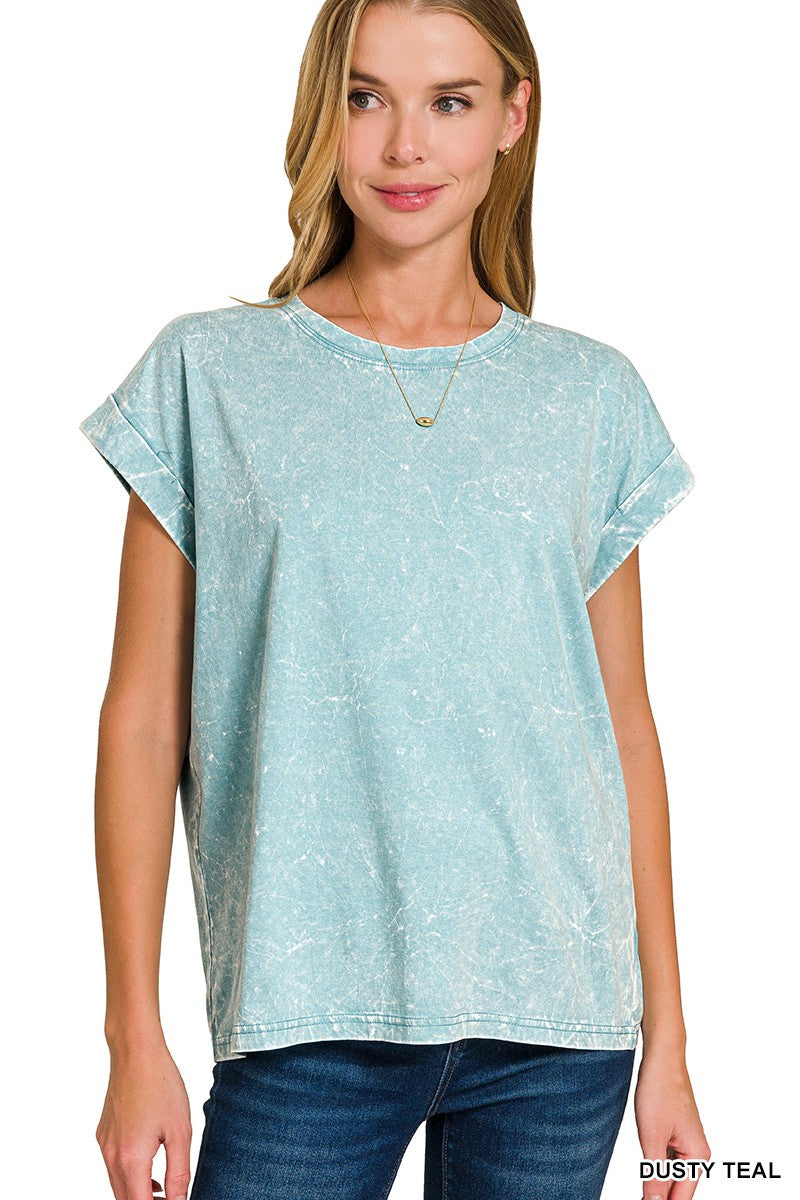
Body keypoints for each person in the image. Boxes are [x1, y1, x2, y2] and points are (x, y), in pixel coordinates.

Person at [78, 1, 711, 1198]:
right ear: (323, 113)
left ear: (512, 116)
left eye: (449, 102)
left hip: (558, 1029)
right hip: (304, 1023)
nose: (403, 145)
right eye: (364, 98)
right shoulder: (209, 376)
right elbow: (144, 723)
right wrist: (131, 1036)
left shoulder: (587, 396)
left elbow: (621, 731)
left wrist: (668, 1039)